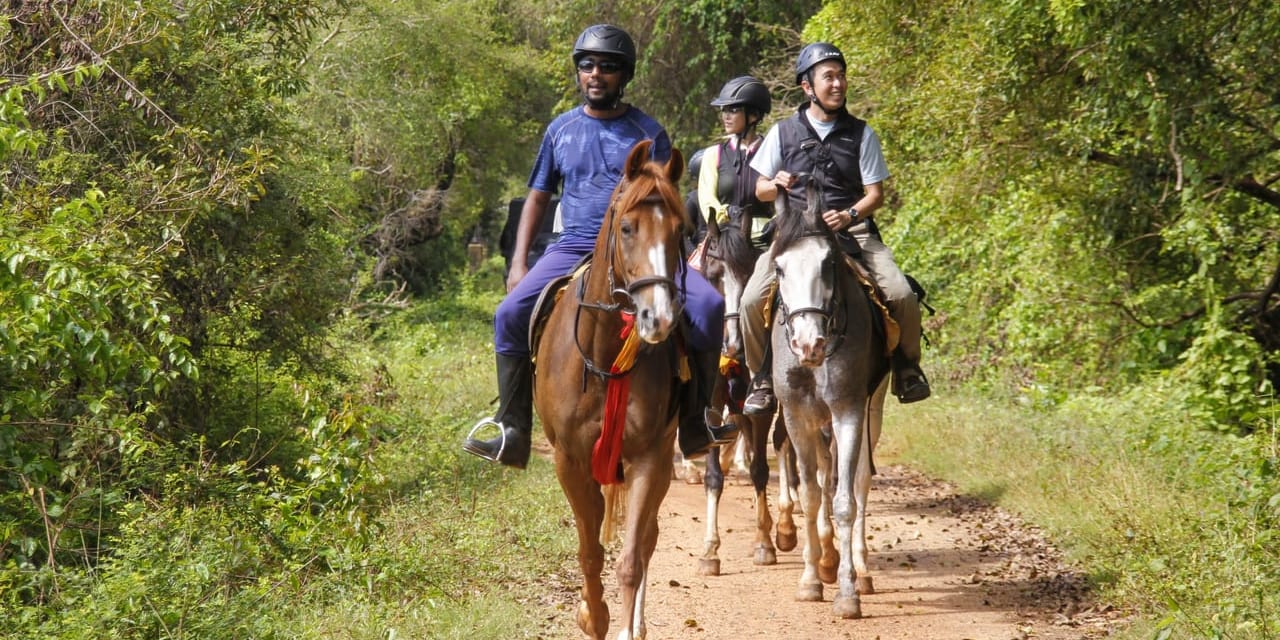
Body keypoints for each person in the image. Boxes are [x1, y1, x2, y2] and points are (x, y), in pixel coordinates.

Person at [462, 24, 735, 469]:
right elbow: (537, 197)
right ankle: (512, 428)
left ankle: (696, 421)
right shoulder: (560, 130)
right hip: (573, 246)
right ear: (578, 73)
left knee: (706, 308)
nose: (595, 73)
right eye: (587, 65)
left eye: (607, 67)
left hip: (643, 249)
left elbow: (664, 198)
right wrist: (517, 262)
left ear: (622, 75)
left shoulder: (648, 132)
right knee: (509, 313)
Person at [739, 42, 931, 412]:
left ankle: (908, 368)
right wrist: (775, 184)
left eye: (841, 75)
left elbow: (875, 194)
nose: (838, 83)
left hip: (852, 233)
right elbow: (759, 186)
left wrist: (850, 215)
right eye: (829, 77)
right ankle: (761, 376)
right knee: (749, 301)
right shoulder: (782, 132)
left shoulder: (862, 134)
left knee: (902, 294)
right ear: (807, 87)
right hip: (794, 236)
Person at [698, 76, 773, 248]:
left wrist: (774, 224)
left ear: (753, 115)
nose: (725, 116)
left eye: (733, 110)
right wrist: (723, 215)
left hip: (765, 239)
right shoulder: (713, 154)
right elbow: (707, 199)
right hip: (724, 237)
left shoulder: (774, 153)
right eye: (724, 110)